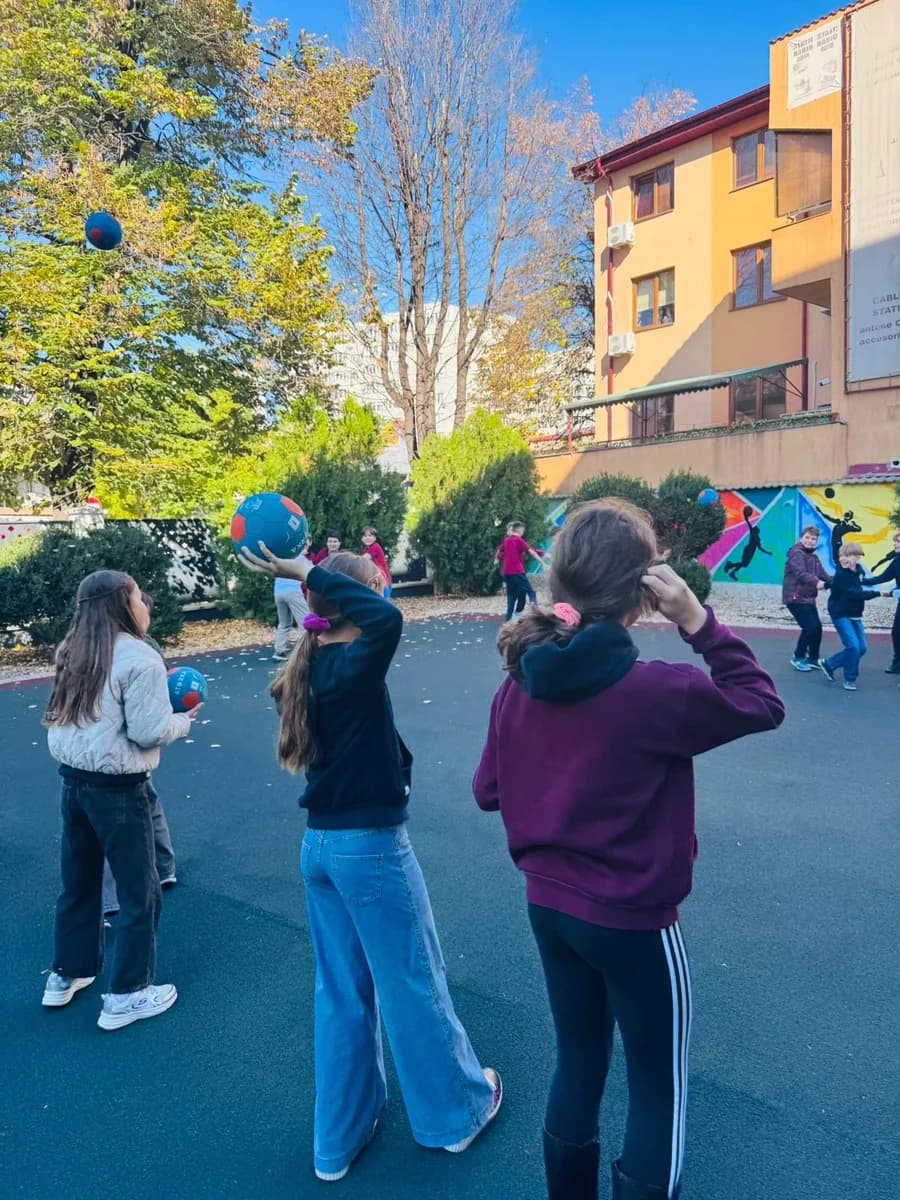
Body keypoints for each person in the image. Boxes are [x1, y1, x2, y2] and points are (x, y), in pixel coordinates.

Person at [472, 499, 784, 1200]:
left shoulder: (518, 682)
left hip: (548, 908)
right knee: (657, 1085)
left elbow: (488, 790)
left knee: (578, 1061)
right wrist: (698, 622)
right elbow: (760, 700)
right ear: (643, 594)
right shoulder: (657, 690)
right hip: (633, 921)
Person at [237, 544, 502, 1183]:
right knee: (413, 981)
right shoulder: (353, 663)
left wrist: (313, 586)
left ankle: (339, 1141)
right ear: (358, 598)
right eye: (376, 587)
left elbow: (368, 615)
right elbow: (387, 620)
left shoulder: (312, 662)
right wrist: (308, 573)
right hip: (368, 850)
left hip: (320, 850)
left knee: (342, 993)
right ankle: (457, 1115)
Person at [42, 570, 198, 1029]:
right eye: (138, 597)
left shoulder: (74, 650)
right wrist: (182, 720)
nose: (145, 604)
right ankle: (127, 993)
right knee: (138, 890)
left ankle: (67, 972)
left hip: (74, 782)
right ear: (122, 606)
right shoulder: (140, 658)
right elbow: (149, 730)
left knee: (80, 881)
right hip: (119, 789)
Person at [102, 591, 178, 918]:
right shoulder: (140, 650)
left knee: (108, 826)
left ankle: (115, 897)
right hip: (122, 755)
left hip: (113, 759)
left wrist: (176, 718)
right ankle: (163, 868)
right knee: (148, 805)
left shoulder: (130, 650)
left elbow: (147, 725)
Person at [818, 541, 882, 691]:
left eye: (852, 555)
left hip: (855, 614)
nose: (846, 558)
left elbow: (856, 582)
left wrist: (827, 585)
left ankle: (830, 664)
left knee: (862, 648)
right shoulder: (842, 574)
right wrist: (880, 593)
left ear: (858, 558)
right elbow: (856, 593)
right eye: (844, 555)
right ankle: (850, 679)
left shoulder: (858, 572)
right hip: (840, 614)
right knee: (853, 647)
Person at [782, 525, 831, 671]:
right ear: (801, 538)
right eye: (807, 538)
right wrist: (817, 583)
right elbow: (801, 574)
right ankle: (798, 657)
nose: (810, 541)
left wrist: (837, 581)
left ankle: (813, 659)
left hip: (808, 598)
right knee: (810, 627)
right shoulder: (797, 554)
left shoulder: (813, 557)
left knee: (817, 628)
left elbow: (824, 575)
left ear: (816, 541)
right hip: (795, 598)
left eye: (813, 539)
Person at [494, 521, 544, 621]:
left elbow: (500, 551)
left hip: (508, 573)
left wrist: (496, 559)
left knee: (512, 595)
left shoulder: (506, 541)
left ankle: (509, 618)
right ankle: (534, 609)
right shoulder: (519, 540)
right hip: (517, 572)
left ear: (512, 530)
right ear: (520, 530)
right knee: (530, 592)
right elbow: (531, 551)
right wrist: (543, 562)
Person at [866, 531, 900, 674]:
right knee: (897, 632)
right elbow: (883, 577)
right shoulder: (896, 561)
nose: (895, 544)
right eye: (895, 541)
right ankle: (897, 664)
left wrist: (893, 592)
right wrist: (862, 580)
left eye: (898, 542)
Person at [273, 536, 311, 661]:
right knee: (305, 621)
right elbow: (312, 574)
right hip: (293, 591)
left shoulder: (284, 557)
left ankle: (279, 650)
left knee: (284, 623)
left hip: (278, 592)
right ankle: (306, 650)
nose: (307, 546)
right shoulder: (302, 560)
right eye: (305, 544)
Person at [723, 506, 773, 581]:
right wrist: (767, 552)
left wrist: (767, 552)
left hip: (748, 551)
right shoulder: (756, 537)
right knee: (744, 564)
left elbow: (760, 548)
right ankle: (730, 566)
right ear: (758, 531)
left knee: (744, 564)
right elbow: (760, 548)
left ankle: (732, 570)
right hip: (749, 551)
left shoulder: (754, 535)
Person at [361, 526, 392, 598]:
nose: (367, 538)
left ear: (375, 538)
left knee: (383, 602)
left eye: (370, 535)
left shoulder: (375, 546)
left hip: (383, 581)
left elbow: (364, 559)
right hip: (375, 580)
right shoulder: (366, 549)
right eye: (365, 536)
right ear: (362, 539)